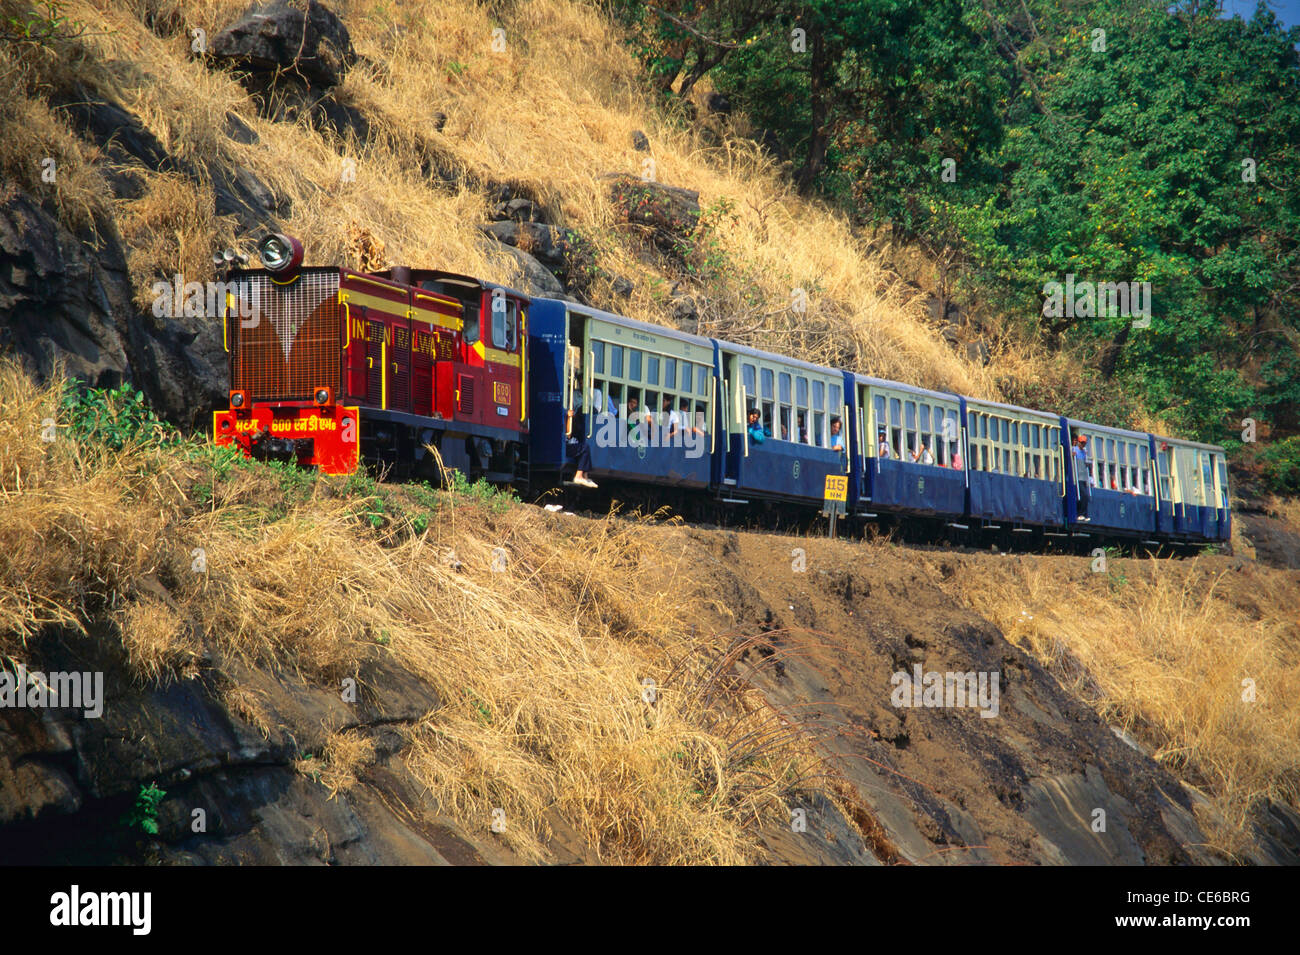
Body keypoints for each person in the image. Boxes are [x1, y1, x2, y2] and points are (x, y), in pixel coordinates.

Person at [565, 407, 597, 488]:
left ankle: (585, 476)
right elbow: (568, 435)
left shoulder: (579, 424)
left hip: (572, 445)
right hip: (566, 446)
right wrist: (569, 418)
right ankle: (578, 476)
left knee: (586, 448)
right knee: (584, 448)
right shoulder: (568, 418)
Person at [1073, 433, 1092, 521]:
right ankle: (1080, 513)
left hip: (1084, 477)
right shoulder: (1074, 450)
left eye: (1084, 443)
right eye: (1081, 442)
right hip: (1078, 477)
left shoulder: (1084, 452)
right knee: (1083, 495)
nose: (1082, 444)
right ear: (1078, 442)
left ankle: (1084, 514)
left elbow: (1086, 463)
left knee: (1085, 496)